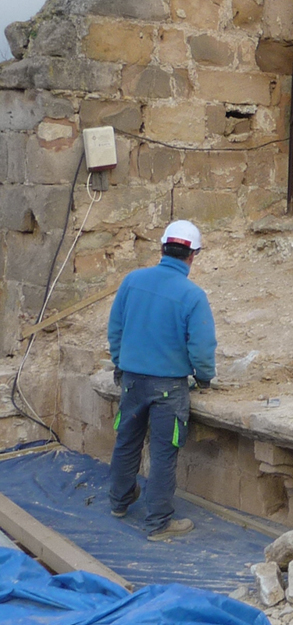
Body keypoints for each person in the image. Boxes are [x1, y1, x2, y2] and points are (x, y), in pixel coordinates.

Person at [107, 220, 216, 541]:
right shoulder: (193, 295)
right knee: (164, 453)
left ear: (162, 248)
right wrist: (204, 378)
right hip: (169, 387)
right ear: (192, 255)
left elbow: (116, 330)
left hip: (131, 380)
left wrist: (120, 364)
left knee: (126, 440)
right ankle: (158, 523)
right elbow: (202, 347)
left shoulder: (132, 280)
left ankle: (119, 501)